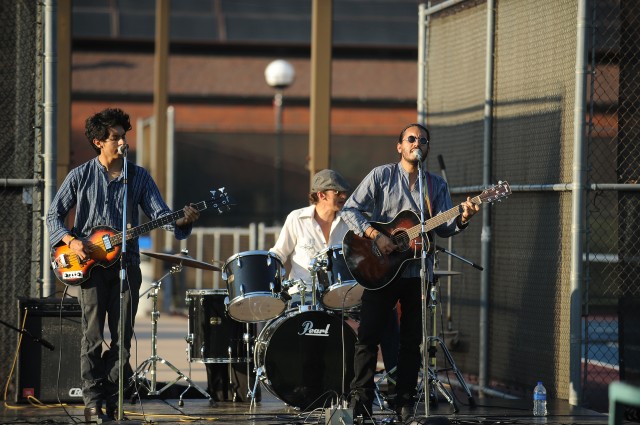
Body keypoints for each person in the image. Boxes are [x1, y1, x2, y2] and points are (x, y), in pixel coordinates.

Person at [46, 108, 201, 423]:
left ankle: (115, 400)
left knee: (122, 337)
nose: (122, 142)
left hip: (126, 265)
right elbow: (53, 216)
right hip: (88, 267)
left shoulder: (139, 176)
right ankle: (92, 403)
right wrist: (71, 241)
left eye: (123, 136)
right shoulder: (80, 176)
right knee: (91, 337)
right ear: (98, 141)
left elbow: (161, 215)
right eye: (115, 137)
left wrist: (182, 222)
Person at [341, 123, 480, 422]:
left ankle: (403, 401)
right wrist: (375, 235)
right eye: (412, 139)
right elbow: (350, 209)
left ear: (427, 148)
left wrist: (464, 217)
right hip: (379, 268)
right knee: (368, 336)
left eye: (423, 140)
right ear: (400, 146)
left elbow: (443, 227)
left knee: (412, 340)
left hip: (416, 273)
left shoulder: (435, 186)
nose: (418, 143)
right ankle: (361, 402)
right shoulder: (381, 176)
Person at [269, 168, 352, 306]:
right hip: (302, 293)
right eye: (338, 192)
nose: (343, 196)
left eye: (345, 192)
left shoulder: (349, 222)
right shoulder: (296, 218)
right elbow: (279, 253)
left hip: (340, 294)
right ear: (321, 195)